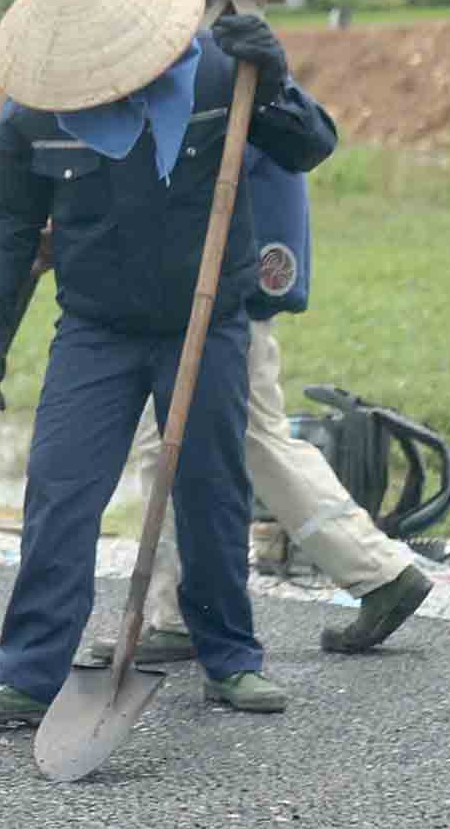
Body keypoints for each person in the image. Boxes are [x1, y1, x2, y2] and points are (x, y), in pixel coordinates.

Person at [0, 0, 336, 728]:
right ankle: (28, 675)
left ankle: (231, 657)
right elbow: (8, 236)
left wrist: (281, 84)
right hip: (96, 330)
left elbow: (310, 147)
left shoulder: (226, 73)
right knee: (60, 490)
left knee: (211, 487)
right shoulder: (34, 113)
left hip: (207, 318)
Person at [91, 152, 432, 671]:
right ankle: (374, 573)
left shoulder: (229, 79)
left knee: (198, 440)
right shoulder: (246, 79)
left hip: (219, 290)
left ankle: (375, 573)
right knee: (233, 439)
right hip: (217, 283)